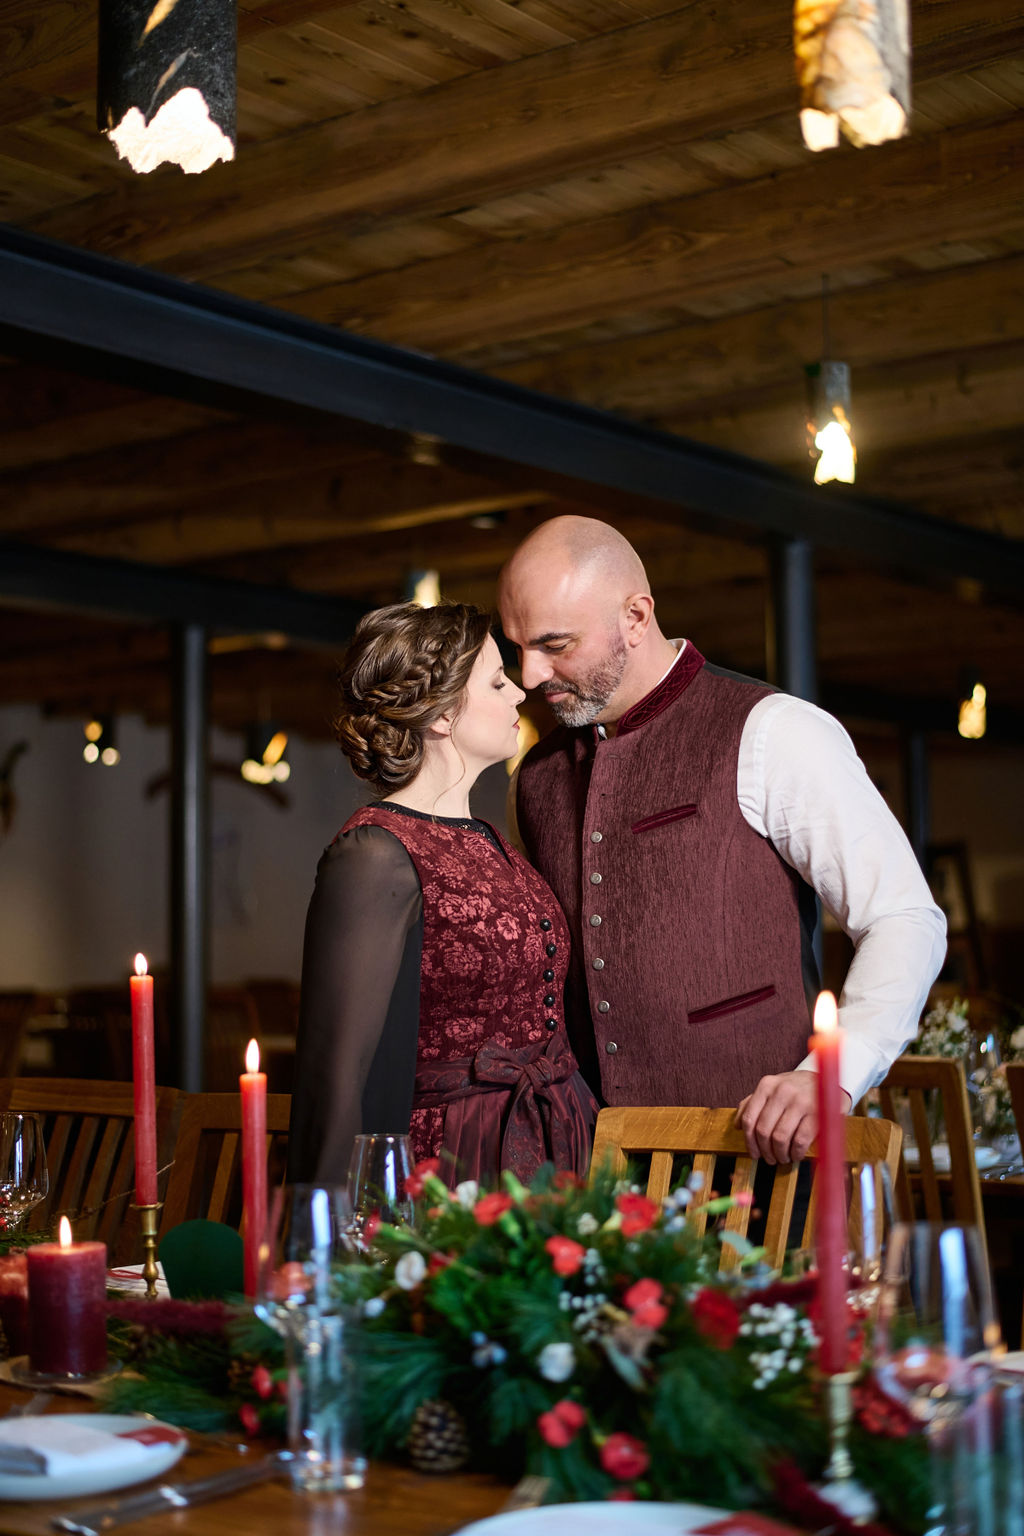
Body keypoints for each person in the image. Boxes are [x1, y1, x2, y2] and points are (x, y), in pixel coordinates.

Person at [498, 516, 946, 1167]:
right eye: (517, 648)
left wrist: (831, 1074)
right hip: (593, 1183)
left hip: (760, 1169)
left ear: (635, 615)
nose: (530, 675)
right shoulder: (532, 779)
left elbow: (904, 917)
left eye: (554, 644)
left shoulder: (775, 731)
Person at [287, 600, 598, 1191]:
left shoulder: (488, 837)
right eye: (497, 681)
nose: (518, 695)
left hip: (549, 1141)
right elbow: (337, 1071)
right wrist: (322, 1244)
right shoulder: (376, 852)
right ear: (441, 716)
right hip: (453, 1162)